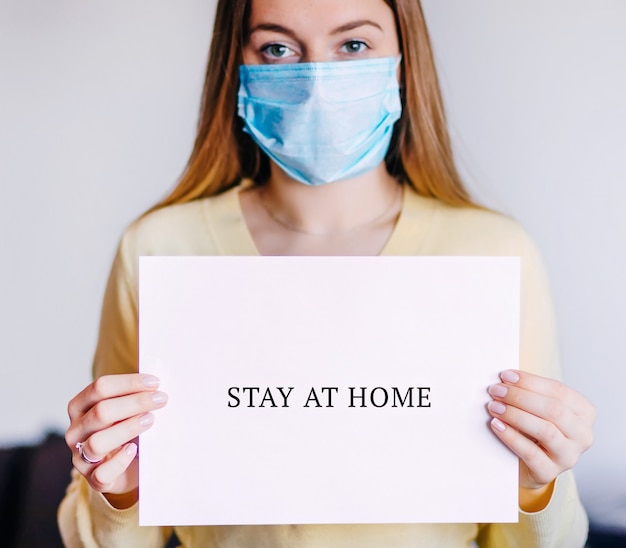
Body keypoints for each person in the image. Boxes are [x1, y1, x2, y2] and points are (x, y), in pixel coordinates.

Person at [58, 0, 595, 546]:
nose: (316, 79)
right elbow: (105, 537)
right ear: (236, 66)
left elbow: (547, 539)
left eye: (354, 45)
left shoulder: (494, 252)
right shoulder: (160, 250)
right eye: (277, 48)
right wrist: (119, 488)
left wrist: (535, 484)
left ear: (405, 61)